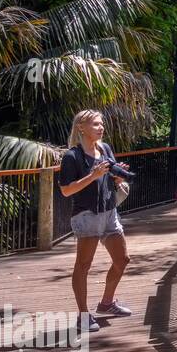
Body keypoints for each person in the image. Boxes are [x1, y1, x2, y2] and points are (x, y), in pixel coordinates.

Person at [57, 110, 131, 334]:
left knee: (123, 259)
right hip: (86, 215)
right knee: (83, 265)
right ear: (81, 127)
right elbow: (66, 191)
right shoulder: (72, 157)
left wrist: (118, 178)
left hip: (109, 212)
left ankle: (107, 303)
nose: (101, 128)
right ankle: (83, 315)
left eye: (101, 124)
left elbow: (110, 176)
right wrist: (92, 176)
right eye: (96, 125)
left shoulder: (105, 148)